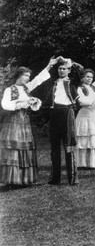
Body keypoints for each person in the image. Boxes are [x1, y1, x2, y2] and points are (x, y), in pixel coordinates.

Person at [0, 57, 58, 187]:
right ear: (19, 76)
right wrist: (24, 103)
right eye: (26, 76)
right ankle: (12, 180)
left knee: (25, 149)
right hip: (13, 122)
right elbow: (6, 105)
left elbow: (38, 79)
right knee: (14, 148)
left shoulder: (26, 88)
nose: (27, 78)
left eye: (28, 76)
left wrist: (49, 66)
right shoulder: (11, 89)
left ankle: (23, 179)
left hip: (24, 122)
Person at [46, 57, 84, 185]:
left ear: (68, 70)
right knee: (54, 147)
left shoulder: (73, 82)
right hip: (55, 113)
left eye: (64, 69)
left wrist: (70, 62)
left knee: (69, 145)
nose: (62, 71)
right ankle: (55, 178)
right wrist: (51, 64)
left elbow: (81, 71)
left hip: (67, 113)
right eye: (60, 69)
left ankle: (72, 178)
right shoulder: (53, 82)